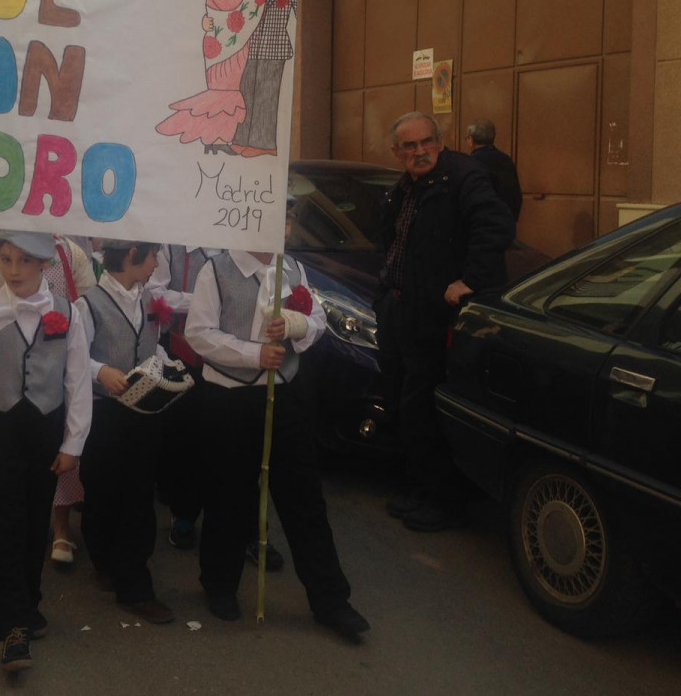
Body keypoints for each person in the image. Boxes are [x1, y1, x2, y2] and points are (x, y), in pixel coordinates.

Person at [185, 203, 369, 638]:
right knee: (229, 493)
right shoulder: (216, 269)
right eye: (277, 218)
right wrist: (253, 354)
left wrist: (294, 323)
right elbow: (198, 333)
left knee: (304, 496)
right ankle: (220, 585)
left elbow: (319, 322)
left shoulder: (295, 271)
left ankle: (330, 600)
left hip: (286, 395)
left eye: (289, 220)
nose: (284, 227)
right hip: (231, 398)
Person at [0, 231, 91, 674]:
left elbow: (77, 382)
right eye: (6, 260)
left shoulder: (68, 315)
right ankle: (10, 629)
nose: (13, 270)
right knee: (2, 529)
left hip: (44, 431)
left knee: (35, 524)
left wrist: (73, 443)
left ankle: (28, 603)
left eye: (23, 262)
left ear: (43, 265)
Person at [378, 111, 515, 531]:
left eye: (426, 142)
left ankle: (442, 501)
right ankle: (421, 490)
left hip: (435, 318)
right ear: (396, 152)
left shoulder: (463, 176)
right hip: (402, 310)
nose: (419, 151)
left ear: (441, 141)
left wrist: (469, 280)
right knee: (405, 402)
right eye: (409, 145)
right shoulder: (407, 187)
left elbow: (496, 225)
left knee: (423, 408)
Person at [74, 239, 174, 623]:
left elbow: (154, 345)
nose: (156, 263)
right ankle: (103, 557)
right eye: (153, 256)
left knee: (138, 494)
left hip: (145, 411)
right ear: (132, 255)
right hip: (106, 414)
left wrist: (165, 364)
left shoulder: (147, 299)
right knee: (102, 490)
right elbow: (75, 354)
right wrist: (101, 370)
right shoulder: (88, 305)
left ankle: (135, 584)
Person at [155, 0, 270, 154]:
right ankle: (216, 139)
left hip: (235, 47)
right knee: (224, 92)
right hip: (224, 50)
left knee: (229, 91)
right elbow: (234, 10)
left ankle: (217, 139)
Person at [146, 244, 223, 552]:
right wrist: (203, 300)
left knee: (227, 441)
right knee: (187, 438)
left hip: (232, 360)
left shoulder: (233, 246)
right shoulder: (172, 248)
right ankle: (184, 514)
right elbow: (156, 294)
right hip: (186, 353)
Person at [230, 0, 301, 158]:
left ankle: (262, 144)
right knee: (246, 93)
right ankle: (242, 138)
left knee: (267, 97)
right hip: (250, 46)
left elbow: (298, 10)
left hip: (276, 46)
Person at [465, 118, 522, 222]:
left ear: (471, 140)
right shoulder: (506, 160)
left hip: (480, 226)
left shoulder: (469, 163)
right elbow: (516, 197)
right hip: (505, 223)